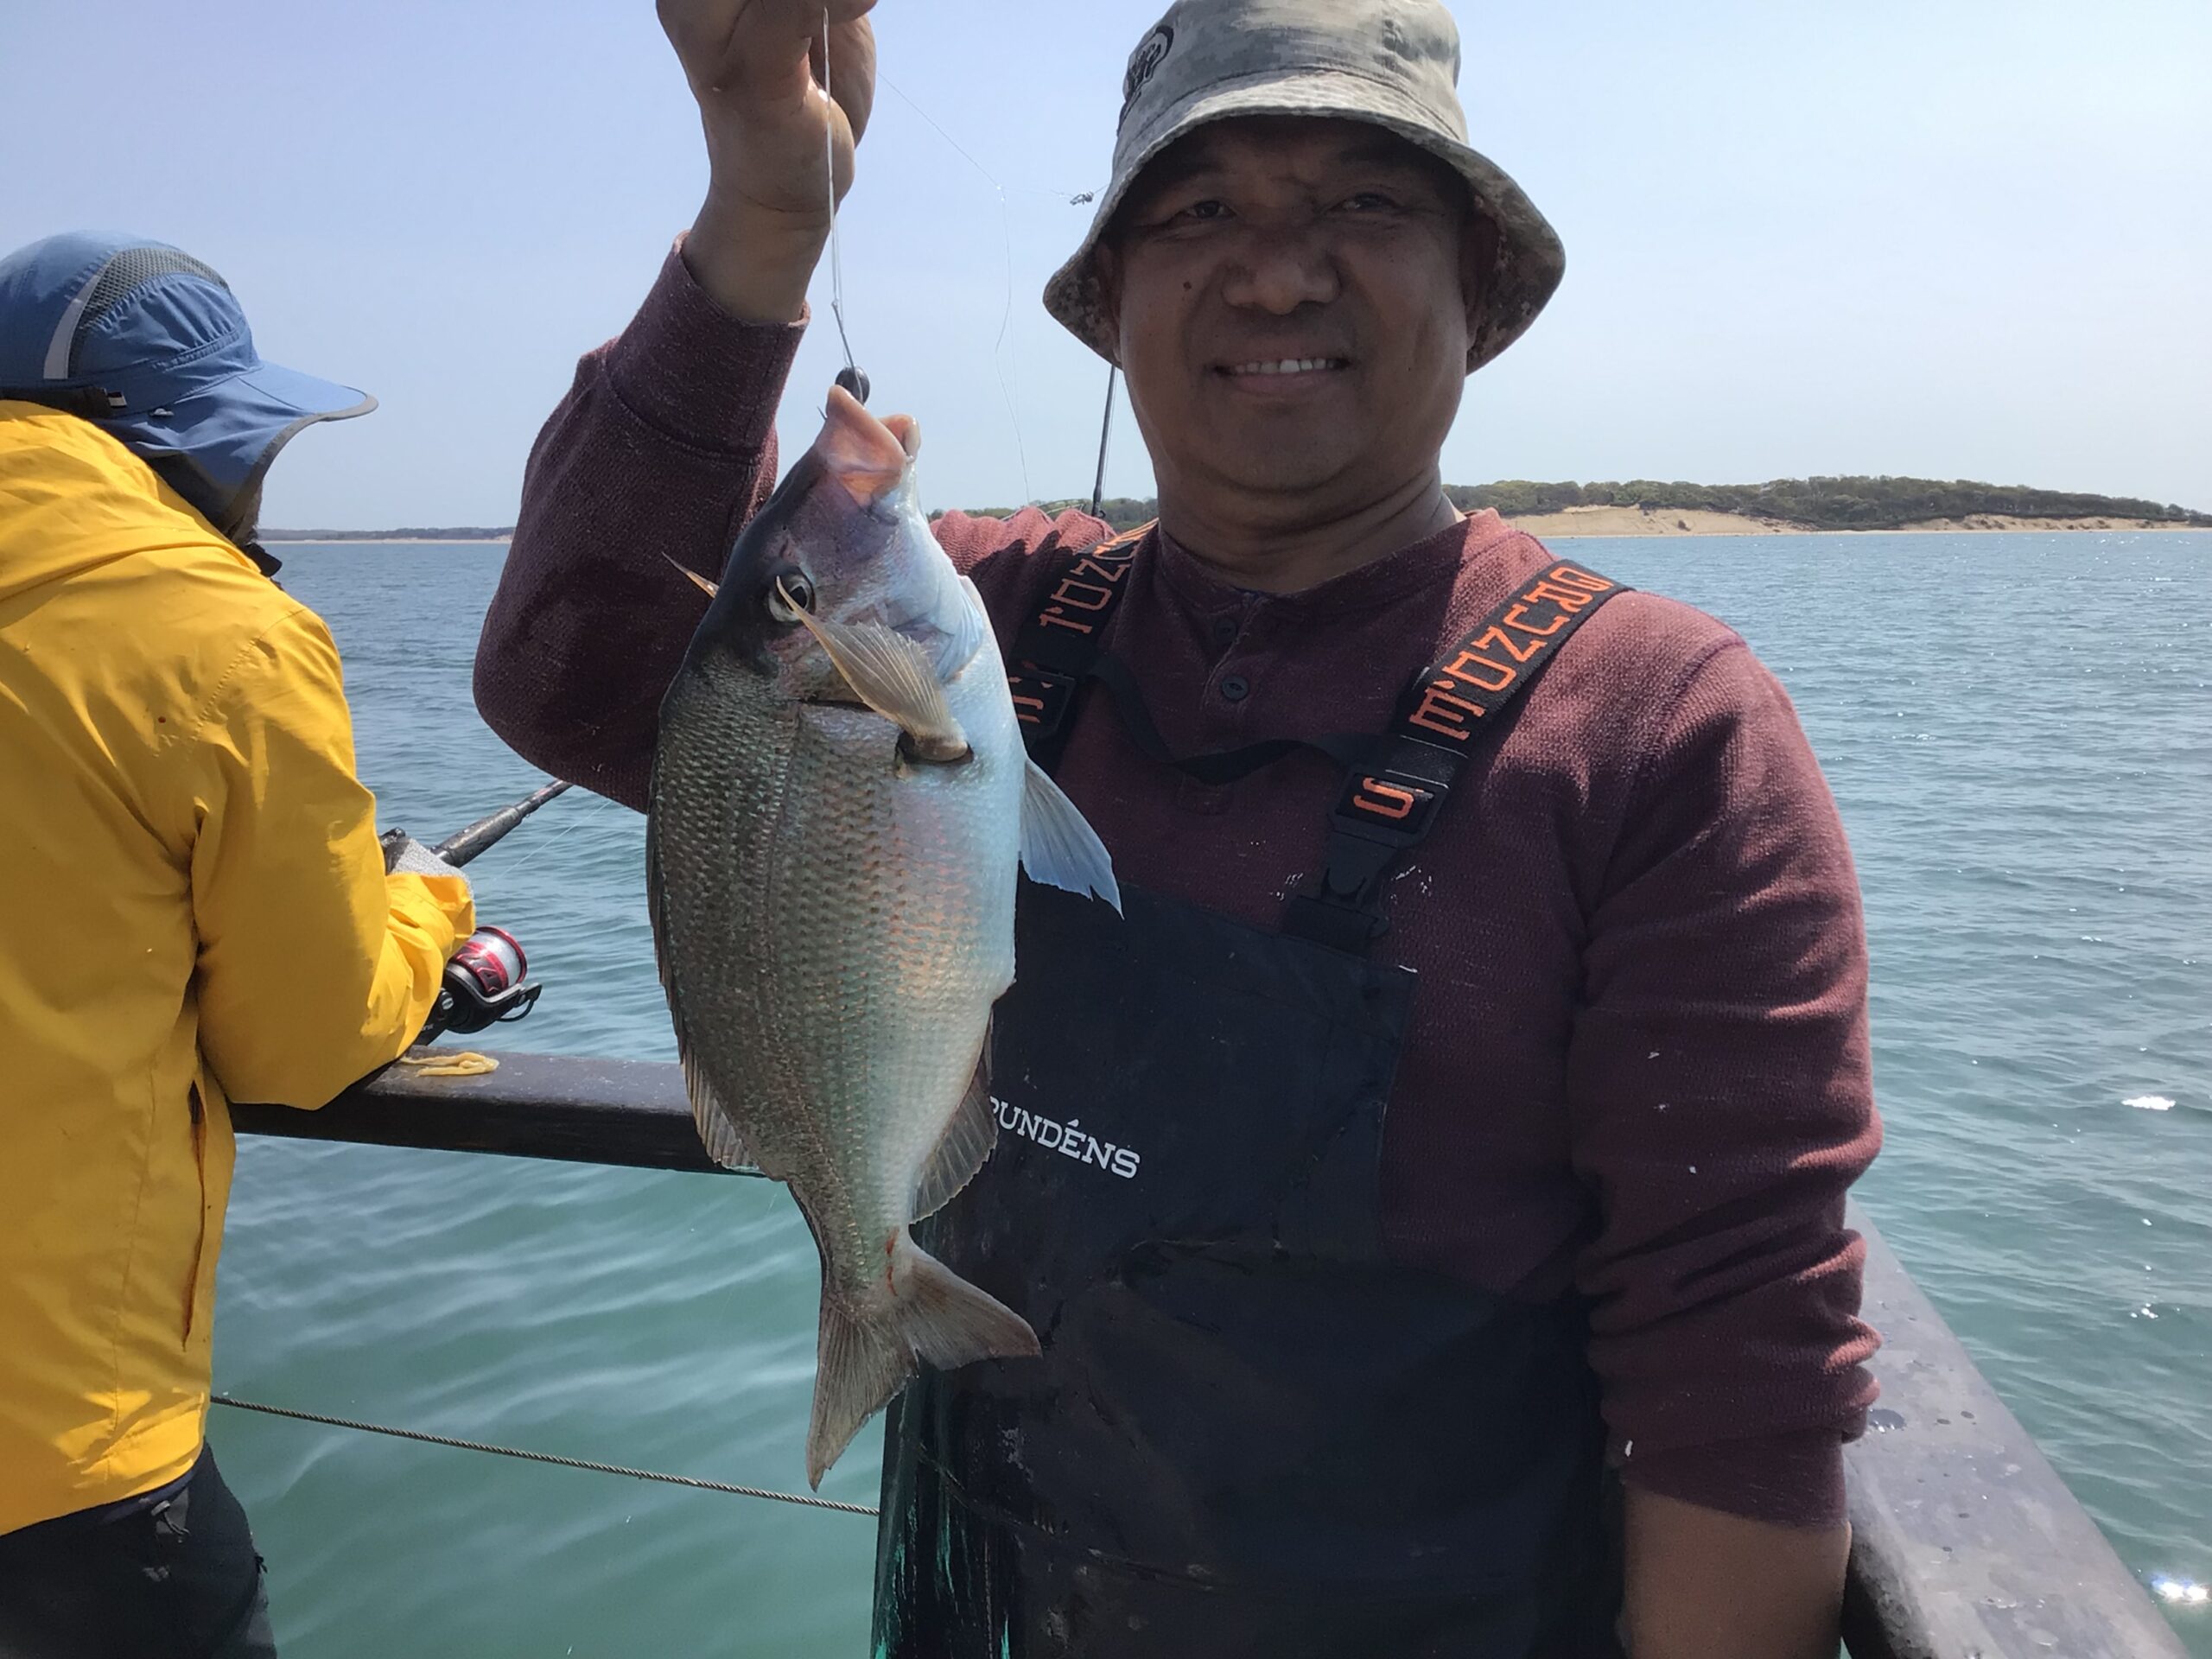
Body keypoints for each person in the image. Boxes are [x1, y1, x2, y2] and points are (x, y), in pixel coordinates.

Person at [474, 1, 1883, 1653]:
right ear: (1115, 308)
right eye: (1200, 213)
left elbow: (1737, 1365)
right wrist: (766, 222)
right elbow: (577, 677)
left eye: (1365, 203)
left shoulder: (1659, 727)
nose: (1277, 274)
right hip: (995, 1601)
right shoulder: (986, 627)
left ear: (1478, 290)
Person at [0, 232, 480, 1658]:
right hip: (58, 1464)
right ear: (192, 440)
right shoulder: (223, 633)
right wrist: (433, 908)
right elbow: (308, 1035)